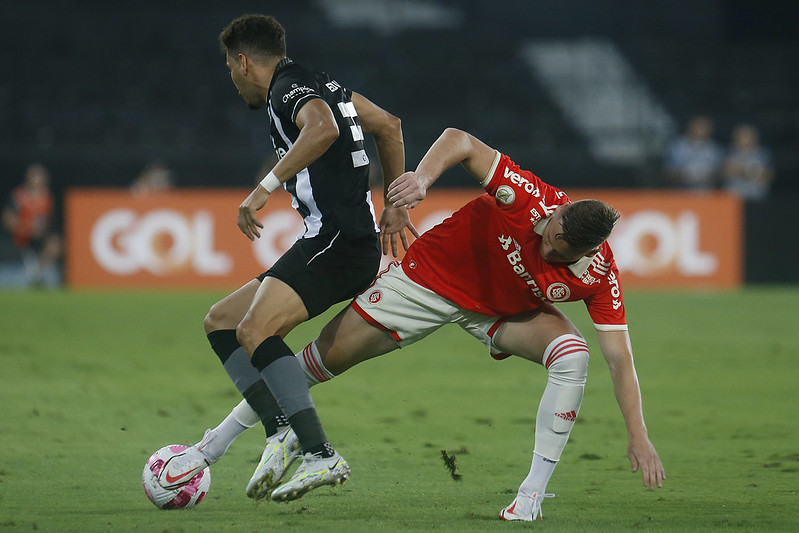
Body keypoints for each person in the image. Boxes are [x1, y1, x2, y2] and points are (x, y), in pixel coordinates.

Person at [209, 127, 667, 516]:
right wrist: (422, 180)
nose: (545, 246)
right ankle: (214, 446)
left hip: (497, 312)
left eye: (559, 251)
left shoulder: (599, 277)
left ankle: (530, 495)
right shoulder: (529, 199)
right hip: (426, 281)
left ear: (586, 252)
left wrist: (639, 436)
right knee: (317, 363)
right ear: (560, 212)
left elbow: (620, 361)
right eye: (550, 233)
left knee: (574, 355)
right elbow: (459, 140)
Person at [158, 13, 416, 501]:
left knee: (256, 330)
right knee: (222, 321)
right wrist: (395, 205)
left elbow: (321, 129)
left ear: (242, 61)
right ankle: (280, 432)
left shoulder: (287, 90)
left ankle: (320, 454)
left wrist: (262, 189)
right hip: (334, 240)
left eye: (231, 71)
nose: (234, 83)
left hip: (339, 242)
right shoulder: (327, 84)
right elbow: (390, 125)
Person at [1, 163, 62, 286]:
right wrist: (26, 227)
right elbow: (7, 219)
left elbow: (48, 221)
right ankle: (30, 275)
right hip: (19, 235)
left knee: (55, 244)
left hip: (37, 237)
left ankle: (34, 273)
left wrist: (40, 230)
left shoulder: (47, 198)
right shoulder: (19, 196)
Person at [663, 115, 723, 191]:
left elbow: (721, 173)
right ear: (690, 127)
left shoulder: (715, 149)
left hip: (707, 193)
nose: (701, 129)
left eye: (705, 127)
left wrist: (707, 175)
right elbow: (667, 172)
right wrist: (685, 175)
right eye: (699, 126)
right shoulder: (677, 147)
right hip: (680, 192)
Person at [722, 123, 774, 201]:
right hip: (733, 198)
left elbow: (768, 175)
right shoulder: (729, 153)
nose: (744, 139)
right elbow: (725, 172)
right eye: (741, 136)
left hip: (756, 196)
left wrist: (742, 170)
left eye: (747, 136)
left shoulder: (762, 154)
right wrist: (754, 172)